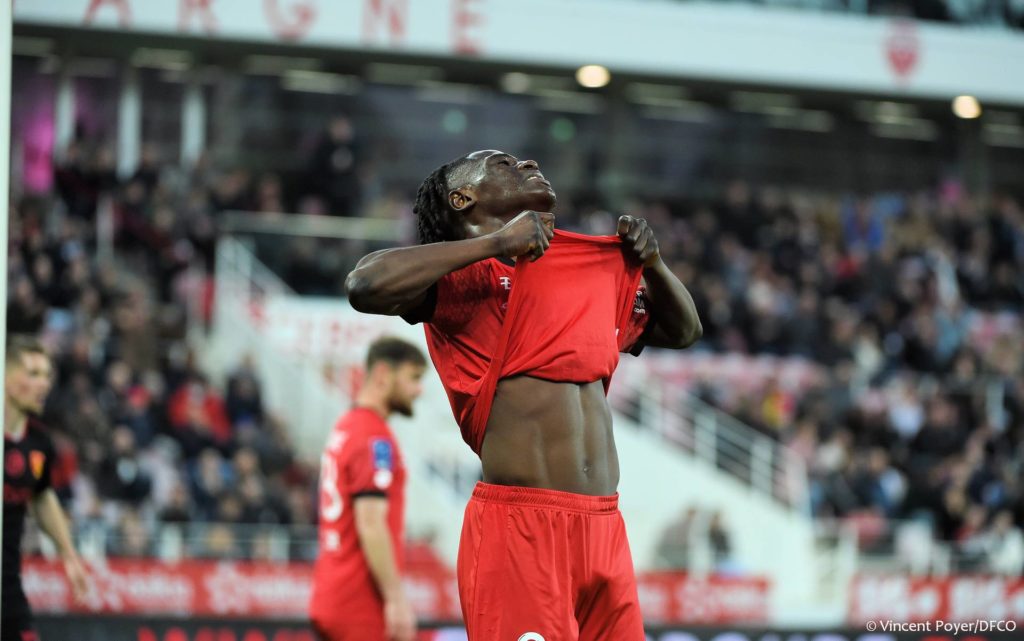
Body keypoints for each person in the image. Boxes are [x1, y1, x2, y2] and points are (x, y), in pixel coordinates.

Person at [345, 150, 701, 640]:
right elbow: (364, 284)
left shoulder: (580, 276)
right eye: (503, 164)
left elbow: (684, 331)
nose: (528, 162)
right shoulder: (463, 283)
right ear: (462, 198)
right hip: (521, 528)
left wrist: (654, 265)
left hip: (604, 528)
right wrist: (497, 243)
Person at [309, 337, 428, 641]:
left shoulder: (347, 425)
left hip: (332, 590)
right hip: (359, 602)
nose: (419, 390)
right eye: (414, 377)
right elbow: (371, 524)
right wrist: (396, 599)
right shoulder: (374, 437)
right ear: (383, 375)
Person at [3, 336, 89, 641]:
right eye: (33, 374)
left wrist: (68, 554)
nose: (44, 384)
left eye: (47, 375)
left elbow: (41, 496)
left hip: (7, 591)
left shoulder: (38, 442)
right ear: (6, 377)